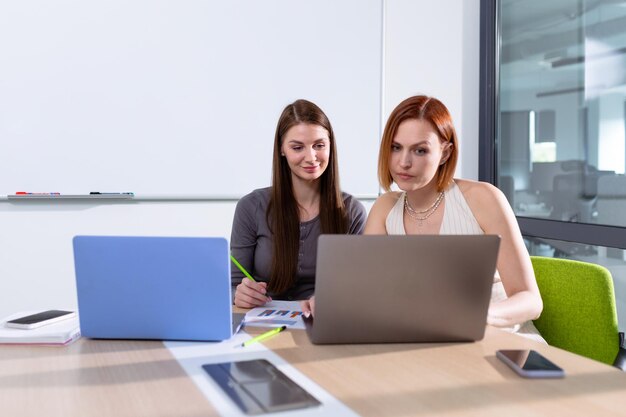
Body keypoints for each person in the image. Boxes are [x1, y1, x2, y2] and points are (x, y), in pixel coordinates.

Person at [302, 95, 544, 343]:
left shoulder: (483, 199)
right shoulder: (386, 208)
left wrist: (479, 315)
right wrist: (332, 300)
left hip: (501, 343)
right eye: (396, 147)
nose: (404, 162)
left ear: (445, 153)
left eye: (420, 150)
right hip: (432, 346)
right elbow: (368, 290)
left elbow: (530, 300)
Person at [231, 99, 366, 308]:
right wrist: (239, 294)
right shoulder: (250, 207)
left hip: (323, 321)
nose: (311, 157)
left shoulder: (352, 211)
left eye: (319, 145)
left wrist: (336, 299)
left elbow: (359, 287)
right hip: (262, 320)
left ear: (330, 146)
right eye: (298, 147)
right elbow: (233, 284)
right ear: (282, 149)